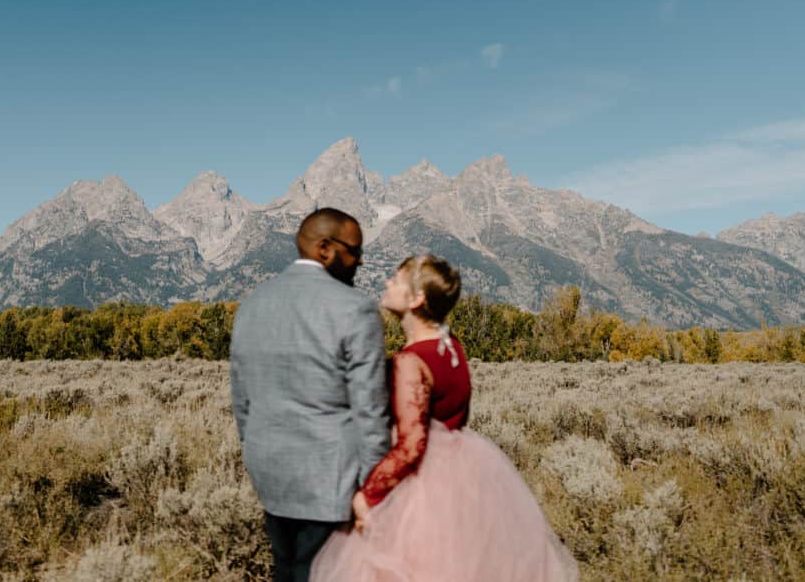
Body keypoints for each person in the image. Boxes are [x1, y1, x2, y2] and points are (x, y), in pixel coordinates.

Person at [311, 255, 580, 581]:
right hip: (463, 481)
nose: (387, 283)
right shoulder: (451, 347)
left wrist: (367, 495)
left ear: (417, 298)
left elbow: (411, 445)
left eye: (395, 280)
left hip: (420, 489)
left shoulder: (412, 360)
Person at [230, 207, 391, 582]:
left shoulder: (252, 304)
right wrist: (375, 489)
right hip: (334, 480)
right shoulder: (355, 308)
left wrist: (256, 452)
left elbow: (242, 401)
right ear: (325, 249)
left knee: (285, 570)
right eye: (354, 250)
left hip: (270, 472)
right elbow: (370, 410)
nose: (360, 260)